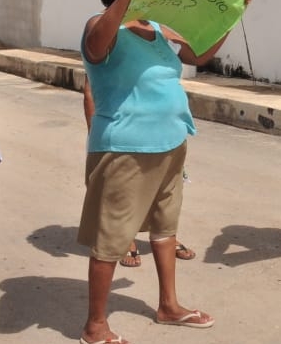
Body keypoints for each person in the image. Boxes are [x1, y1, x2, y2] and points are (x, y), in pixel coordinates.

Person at [78, 0, 248, 344]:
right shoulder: (102, 26)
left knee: (165, 229)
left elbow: (199, 54)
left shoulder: (157, 27)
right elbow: (95, 47)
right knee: (112, 238)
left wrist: (234, 12)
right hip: (124, 149)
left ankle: (168, 305)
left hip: (170, 144)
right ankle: (94, 326)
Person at [81, 83, 198, 269]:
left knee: (165, 195)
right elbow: (90, 90)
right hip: (124, 134)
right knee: (124, 195)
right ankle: (126, 240)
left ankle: (167, 236)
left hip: (162, 130)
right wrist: (95, 135)